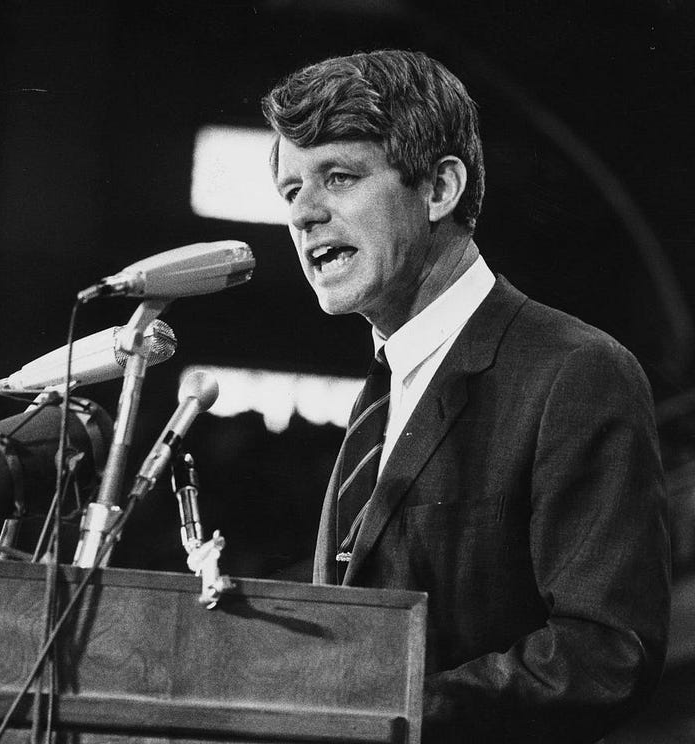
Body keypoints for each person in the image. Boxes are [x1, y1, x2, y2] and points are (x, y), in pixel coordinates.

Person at [261, 50, 671, 743]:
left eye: (338, 176)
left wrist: (383, 716)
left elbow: (605, 655)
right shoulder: (383, 393)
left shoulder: (576, 371)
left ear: (440, 188)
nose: (304, 214)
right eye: (290, 190)